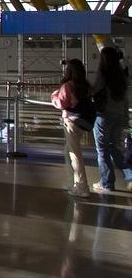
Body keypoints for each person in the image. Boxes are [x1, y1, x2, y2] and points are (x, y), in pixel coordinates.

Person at [91, 47, 132, 193]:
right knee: (114, 146)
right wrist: (126, 118)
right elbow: (126, 98)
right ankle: (130, 174)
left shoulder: (103, 73)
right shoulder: (122, 75)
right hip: (119, 115)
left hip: (104, 115)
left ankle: (107, 182)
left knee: (102, 149)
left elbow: (95, 89)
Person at [51, 58, 92, 198]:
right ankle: (74, 183)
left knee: (74, 154)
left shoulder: (68, 86)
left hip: (71, 122)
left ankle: (82, 186)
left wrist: (53, 96)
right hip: (81, 121)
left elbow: (61, 103)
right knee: (69, 151)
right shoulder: (85, 85)